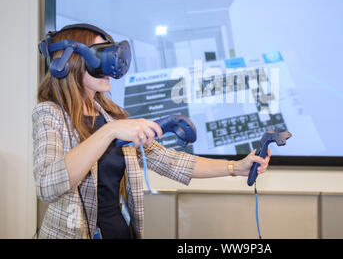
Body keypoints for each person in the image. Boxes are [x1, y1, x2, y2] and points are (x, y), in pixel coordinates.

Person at [32, 24, 270, 239]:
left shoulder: (112, 116)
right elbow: (47, 185)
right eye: (100, 55)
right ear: (69, 62)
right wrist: (110, 132)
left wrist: (235, 167)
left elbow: (170, 161)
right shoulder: (49, 114)